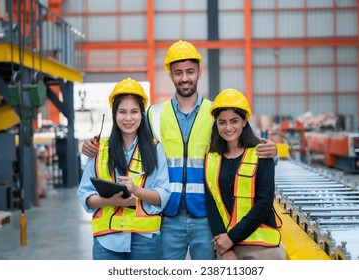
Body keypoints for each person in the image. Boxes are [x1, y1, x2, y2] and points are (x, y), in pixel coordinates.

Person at [81, 40, 278, 260]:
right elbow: (129, 138)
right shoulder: (154, 115)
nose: (184, 77)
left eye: (190, 71)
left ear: (199, 72)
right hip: (167, 216)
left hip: (206, 217)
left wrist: (272, 151)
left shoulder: (216, 115)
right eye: (178, 72)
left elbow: (241, 145)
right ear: (171, 75)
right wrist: (92, 146)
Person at [77, 78, 171, 260]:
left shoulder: (154, 148)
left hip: (145, 239)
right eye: (122, 112)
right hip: (107, 239)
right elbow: (85, 196)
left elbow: (162, 196)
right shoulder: (99, 149)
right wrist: (112, 201)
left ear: (142, 114)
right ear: (114, 114)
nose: (128, 118)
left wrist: (135, 190)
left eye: (134, 112)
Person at [204, 88, 283, 260]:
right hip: (227, 249)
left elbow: (264, 203)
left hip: (261, 248)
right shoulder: (211, 159)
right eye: (222, 122)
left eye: (234, 121)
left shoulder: (262, 154)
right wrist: (225, 247)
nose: (228, 127)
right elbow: (212, 204)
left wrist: (232, 238)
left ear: (244, 122)